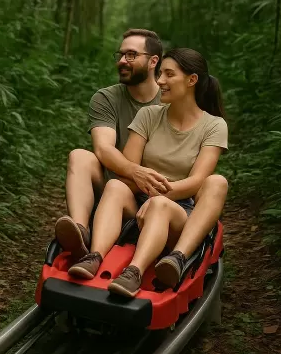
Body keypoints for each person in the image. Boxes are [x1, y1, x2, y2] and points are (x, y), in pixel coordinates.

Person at [59, 48, 229, 297]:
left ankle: (143, 269)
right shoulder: (148, 115)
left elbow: (196, 182)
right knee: (115, 186)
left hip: (178, 210)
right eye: (160, 74)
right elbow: (129, 171)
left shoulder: (214, 125)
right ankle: (94, 255)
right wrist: (147, 189)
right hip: (138, 199)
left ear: (192, 80)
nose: (160, 81)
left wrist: (158, 197)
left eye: (169, 75)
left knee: (216, 182)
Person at [54, 28, 174, 256]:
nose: (121, 61)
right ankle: (80, 232)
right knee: (80, 156)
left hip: (160, 194)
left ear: (153, 61)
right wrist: (136, 172)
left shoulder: (172, 98)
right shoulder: (106, 98)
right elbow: (103, 148)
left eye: (131, 55)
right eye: (120, 55)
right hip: (117, 189)